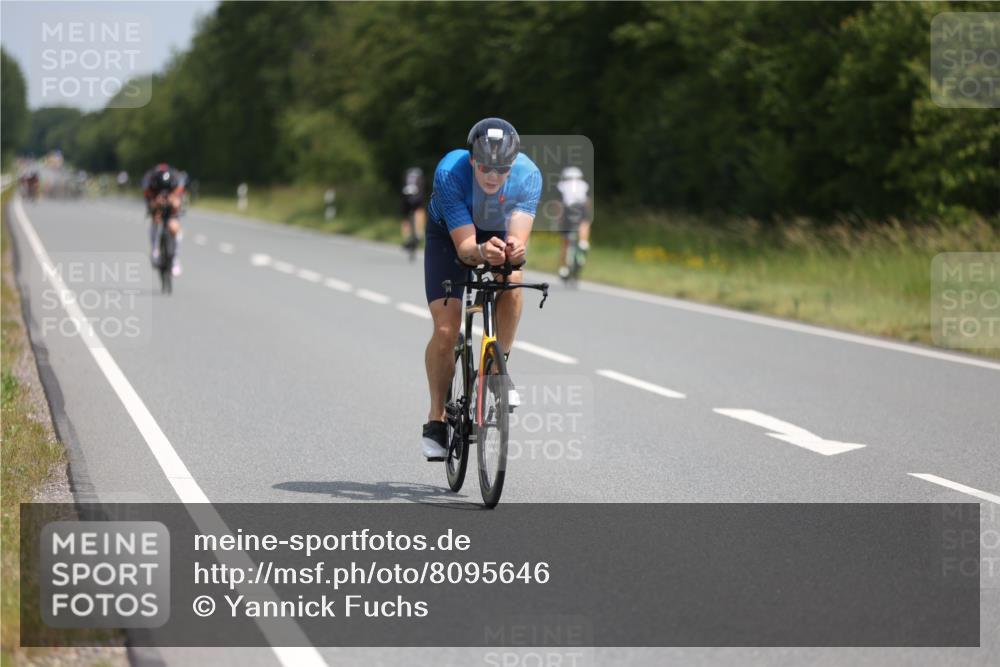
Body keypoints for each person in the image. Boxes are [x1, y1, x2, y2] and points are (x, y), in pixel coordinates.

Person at [420, 118, 542, 460]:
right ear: (473, 160)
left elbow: (517, 236)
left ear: (512, 165)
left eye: (501, 168)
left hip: (496, 232)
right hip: (449, 236)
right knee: (446, 329)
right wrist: (479, 252)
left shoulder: (528, 175)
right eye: (485, 166)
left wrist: (514, 249)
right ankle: (436, 419)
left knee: (512, 279)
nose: (492, 175)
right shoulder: (450, 172)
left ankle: (497, 368)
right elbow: (465, 249)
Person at [141, 164, 185, 276]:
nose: (164, 193)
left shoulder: (176, 181)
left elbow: (179, 203)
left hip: (172, 206)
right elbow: (149, 204)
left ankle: (175, 259)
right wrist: (155, 204)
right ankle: (155, 249)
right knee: (156, 219)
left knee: (175, 227)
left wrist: (173, 202)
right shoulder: (149, 182)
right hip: (155, 203)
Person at [555, 166, 592, 279]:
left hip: (568, 209)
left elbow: (559, 204)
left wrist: (559, 219)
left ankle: (563, 267)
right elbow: (588, 201)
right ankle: (583, 242)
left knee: (565, 241)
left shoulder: (561, 186)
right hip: (581, 208)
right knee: (585, 222)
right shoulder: (584, 185)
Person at [400, 167, 426, 251]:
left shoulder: (405, 178)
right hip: (418, 199)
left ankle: (406, 238)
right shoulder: (420, 179)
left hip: (405, 199)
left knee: (405, 217)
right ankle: (419, 233)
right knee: (420, 211)